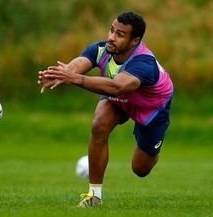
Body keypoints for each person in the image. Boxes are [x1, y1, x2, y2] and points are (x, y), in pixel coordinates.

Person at [37, 11, 173, 207]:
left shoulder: (144, 62)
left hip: (151, 107)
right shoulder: (102, 49)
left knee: (140, 169)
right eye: (111, 30)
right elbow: (77, 65)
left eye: (120, 34)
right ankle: (94, 196)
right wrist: (62, 73)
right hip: (119, 97)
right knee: (99, 124)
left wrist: (76, 79)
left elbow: (118, 86)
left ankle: (152, 150)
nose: (111, 37)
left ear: (134, 41)